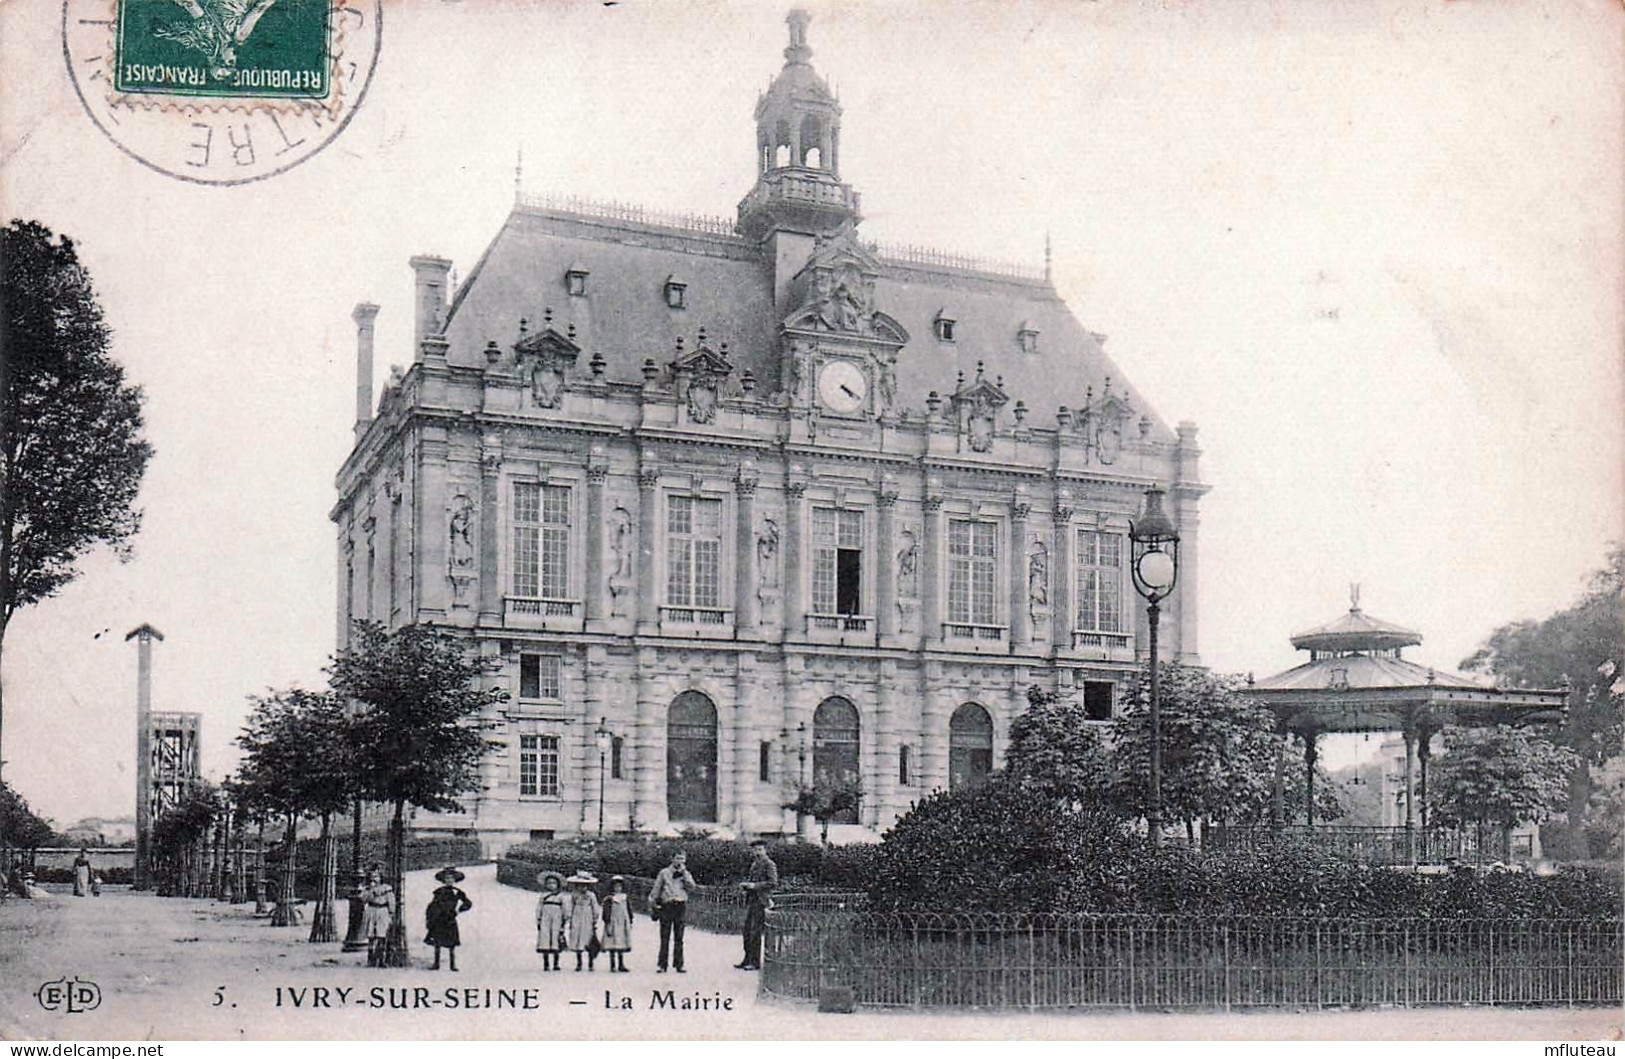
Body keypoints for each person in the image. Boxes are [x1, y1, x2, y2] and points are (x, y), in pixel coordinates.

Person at [649, 850, 698, 973]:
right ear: (672, 859)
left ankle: (679, 964)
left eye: (682, 859)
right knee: (665, 936)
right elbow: (656, 889)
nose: (679, 861)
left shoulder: (685, 873)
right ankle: (662, 964)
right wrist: (653, 905)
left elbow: (692, 887)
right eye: (677, 858)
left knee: (679, 937)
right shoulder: (664, 873)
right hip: (667, 906)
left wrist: (684, 875)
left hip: (680, 906)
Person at [736, 838, 778, 971]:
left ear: (765, 850)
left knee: (755, 932)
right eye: (755, 849)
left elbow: (773, 882)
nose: (757, 852)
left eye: (760, 849)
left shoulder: (769, 864)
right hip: (752, 900)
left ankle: (754, 962)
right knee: (747, 931)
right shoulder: (754, 863)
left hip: (761, 901)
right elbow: (752, 881)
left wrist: (754, 885)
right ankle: (747, 959)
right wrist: (746, 886)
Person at [423, 866, 473, 972]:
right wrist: (430, 917)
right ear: (443, 880)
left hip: (450, 919)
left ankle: (452, 965)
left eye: (451, 878)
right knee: (437, 942)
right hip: (439, 920)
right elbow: (433, 905)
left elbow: (468, 903)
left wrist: (459, 910)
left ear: (454, 880)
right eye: (447, 878)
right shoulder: (438, 892)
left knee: (451, 943)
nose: (449, 880)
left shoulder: (457, 892)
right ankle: (436, 964)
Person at [563, 871, 601, 972]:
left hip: (587, 917)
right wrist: (569, 917)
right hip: (576, 916)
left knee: (588, 940)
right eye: (580, 885)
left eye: (585, 886)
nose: (582, 888)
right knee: (577, 939)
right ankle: (579, 962)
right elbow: (570, 906)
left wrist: (594, 919)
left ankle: (590, 962)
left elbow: (595, 908)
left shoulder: (591, 895)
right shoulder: (574, 895)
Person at [359, 865, 394, 967]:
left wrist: (391, 912)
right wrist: (370, 892)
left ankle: (381, 959)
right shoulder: (368, 888)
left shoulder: (386, 888)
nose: (375, 878)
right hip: (371, 910)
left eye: (377, 876)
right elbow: (363, 900)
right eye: (373, 876)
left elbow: (391, 901)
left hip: (382, 911)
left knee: (381, 935)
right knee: (371, 936)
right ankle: (370, 959)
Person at [535, 871, 568, 971]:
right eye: (549, 883)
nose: (551, 885)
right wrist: (539, 920)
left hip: (557, 919)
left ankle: (556, 963)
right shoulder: (543, 896)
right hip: (545, 919)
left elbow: (565, 909)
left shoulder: (561, 897)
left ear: (558, 885)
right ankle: (546, 963)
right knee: (545, 939)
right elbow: (539, 908)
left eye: (553, 883)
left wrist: (564, 920)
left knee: (555, 939)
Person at [600, 875, 634, 973]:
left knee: (621, 944)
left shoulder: (625, 898)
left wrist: (630, 920)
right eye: (615, 886)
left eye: (619, 886)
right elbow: (606, 912)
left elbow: (628, 910)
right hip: (613, 922)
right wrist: (607, 922)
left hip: (623, 923)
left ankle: (621, 964)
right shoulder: (609, 899)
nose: (618, 888)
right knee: (612, 943)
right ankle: (613, 964)